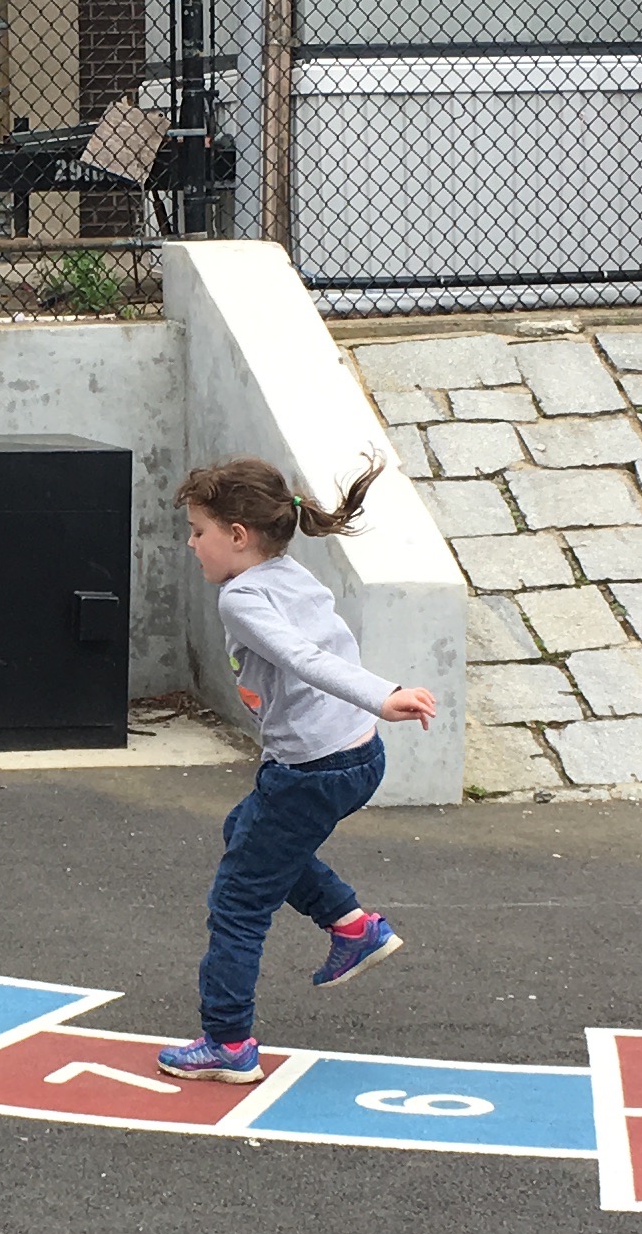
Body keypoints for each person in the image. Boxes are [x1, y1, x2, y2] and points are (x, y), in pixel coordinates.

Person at [162, 456, 441, 1079]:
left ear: (237, 535)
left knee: (238, 902)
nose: (190, 543)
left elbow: (303, 656)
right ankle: (352, 925)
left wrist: (383, 692)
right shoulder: (289, 574)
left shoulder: (242, 598)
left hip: (308, 771)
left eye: (198, 530)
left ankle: (227, 1044)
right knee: (246, 834)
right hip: (355, 757)